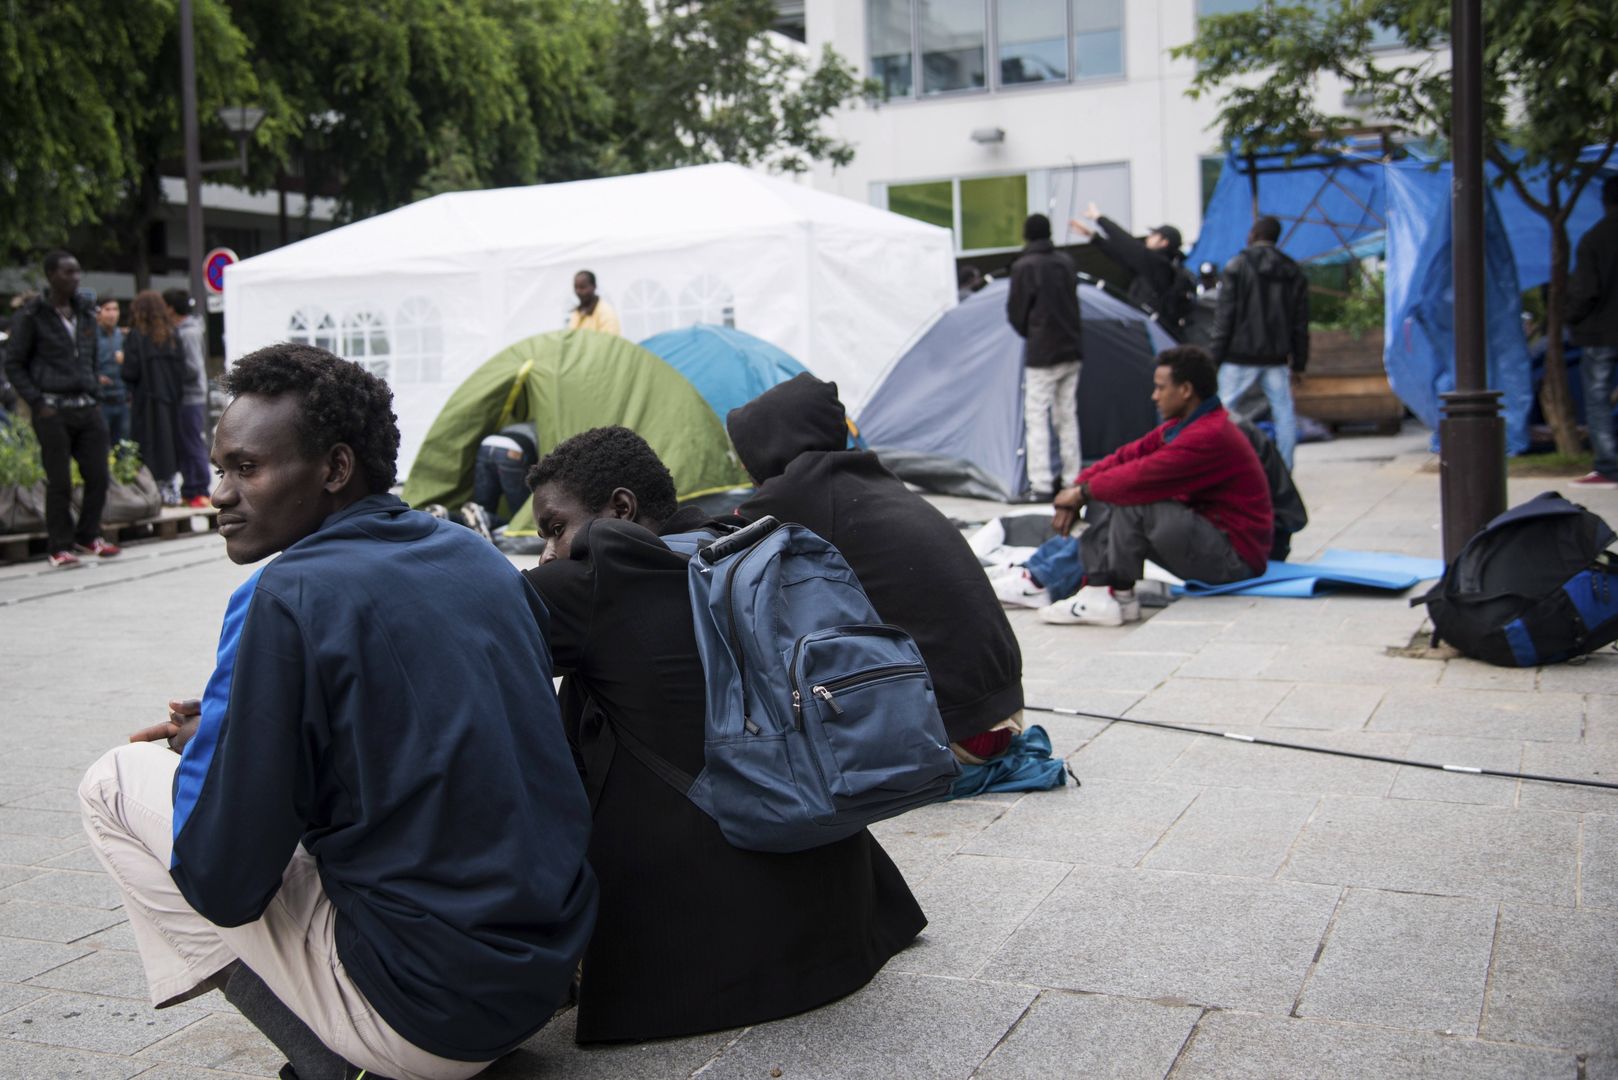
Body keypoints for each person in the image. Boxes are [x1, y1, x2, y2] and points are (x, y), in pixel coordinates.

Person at [77, 344, 597, 1080]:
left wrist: (210, 754)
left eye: (246, 468)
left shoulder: (284, 595)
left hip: (424, 1016)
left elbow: (223, 882)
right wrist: (236, 727)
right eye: (220, 468)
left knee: (112, 782)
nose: (218, 493)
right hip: (538, 974)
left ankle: (332, 1061)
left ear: (334, 469)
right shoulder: (475, 556)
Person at [521, 425, 924, 1043]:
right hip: (847, 925)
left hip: (703, 968)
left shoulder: (593, 580)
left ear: (621, 509)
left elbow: (456, 656)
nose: (548, 551)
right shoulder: (743, 544)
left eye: (554, 528)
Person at [728, 373, 1026, 761]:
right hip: (998, 711)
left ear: (770, 446)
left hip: (956, 732)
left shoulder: (803, 490)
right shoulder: (863, 476)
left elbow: (717, 543)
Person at [1038, 346, 1272, 626]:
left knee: (1129, 496)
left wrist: (1081, 493)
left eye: (1161, 388)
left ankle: (1104, 592)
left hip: (1234, 559)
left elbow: (1141, 476)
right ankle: (1116, 598)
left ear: (1185, 390)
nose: (1155, 396)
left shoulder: (1210, 434)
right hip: (1212, 539)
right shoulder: (1184, 426)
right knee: (1108, 487)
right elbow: (1126, 457)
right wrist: (1077, 489)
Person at [3, 251, 119, 568]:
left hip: (87, 405)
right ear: (51, 275)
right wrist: (37, 401)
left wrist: (93, 385)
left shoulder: (84, 311)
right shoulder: (32, 315)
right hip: (52, 408)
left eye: (78, 272)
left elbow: (91, 352)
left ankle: (88, 535)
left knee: (98, 473)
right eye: (68, 272)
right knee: (60, 481)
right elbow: (13, 363)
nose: (75, 278)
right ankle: (60, 545)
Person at [1209, 215, 1310, 469]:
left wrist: (1215, 357)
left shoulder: (1238, 265)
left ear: (1252, 234)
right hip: (1276, 357)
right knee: (1284, 414)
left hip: (1239, 355)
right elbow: (1300, 322)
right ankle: (1285, 471)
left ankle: (1214, 465)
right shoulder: (1291, 270)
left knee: (1218, 412)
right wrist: (1299, 363)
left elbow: (1225, 315)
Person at [1007, 213, 1083, 502]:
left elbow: (1016, 313)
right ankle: (1072, 478)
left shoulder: (1024, 267)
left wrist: (1031, 332)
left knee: (1037, 416)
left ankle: (1040, 485)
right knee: (1067, 415)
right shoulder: (1066, 262)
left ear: (1027, 235)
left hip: (1042, 352)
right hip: (1072, 348)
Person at [1069, 201, 1189, 334]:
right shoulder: (1150, 267)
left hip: (1156, 330)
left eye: (1154, 235)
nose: (1148, 238)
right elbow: (1121, 256)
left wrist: (1099, 218)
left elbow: (1128, 244)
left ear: (1164, 242)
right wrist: (1093, 237)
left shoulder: (1160, 265)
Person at [1569, 175, 1618, 488]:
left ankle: (1608, 467)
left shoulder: (1595, 238)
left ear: (1605, 201)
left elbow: (1585, 291)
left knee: (1598, 399)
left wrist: (1569, 318)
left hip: (1601, 331)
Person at [121, 290, 186, 506]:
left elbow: (130, 372)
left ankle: (150, 491)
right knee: (170, 444)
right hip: (170, 400)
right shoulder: (172, 334)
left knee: (147, 446)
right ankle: (170, 489)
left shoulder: (136, 336)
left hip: (145, 401)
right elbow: (182, 371)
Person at [165, 289, 212, 507]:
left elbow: (193, 367)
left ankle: (200, 488)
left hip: (190, 395)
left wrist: (170, 373)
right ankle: (190, 488)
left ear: (170, 308)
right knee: (185, 442)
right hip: (184, 396)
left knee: (193, 441)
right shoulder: (181, 331)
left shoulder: (188, 333)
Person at [460, 420, 539, 540]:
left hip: (486, 445)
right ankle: (488, 519)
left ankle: (447, 516)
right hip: (512, 450)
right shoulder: (541, 428)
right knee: (521, 515)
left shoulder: (517, 424)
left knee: (481, 508)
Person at [95, 299, 129, 444]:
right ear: (99, 313)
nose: (112, 314)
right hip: (101, 401)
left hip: (123, 400)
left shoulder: (122, 336)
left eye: (115, 309)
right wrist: (95, 377)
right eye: (107, 309)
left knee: (124, 447)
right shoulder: (91, 336)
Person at [567, 270, 620, 335]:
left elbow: (610, 341)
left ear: (594, 286)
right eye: (576, 287)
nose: (578, 291)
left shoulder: (606, 312)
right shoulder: (577, 312)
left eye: (582, 287)